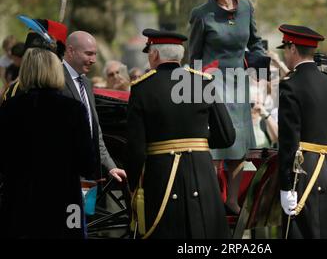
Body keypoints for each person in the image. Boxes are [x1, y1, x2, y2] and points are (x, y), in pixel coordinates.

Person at [126, 29, 235, 239]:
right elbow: (227, 136)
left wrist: (132, 186)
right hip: (201, 172)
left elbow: (136, 149)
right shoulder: (202, 82)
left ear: (154, 55)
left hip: (161, 176)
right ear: (180, 55)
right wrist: (199, 140)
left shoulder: (142, 88)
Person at [188, 0, 267, 215]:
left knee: (238, 147)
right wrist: (194, 91)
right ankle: (210, 199)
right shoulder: (201, 14)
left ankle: (231, 200)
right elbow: (194, 56)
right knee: (214, 146)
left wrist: (260, 72)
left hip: (239, 83)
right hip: (212, 84)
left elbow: (255, 43)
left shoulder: (246, 8)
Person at [0, 47, 95, 238]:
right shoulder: (73, 110)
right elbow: (87, 164)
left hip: (20, 202)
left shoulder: (9, 108)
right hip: (63, 204)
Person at [277, 24, 327, 239]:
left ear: (292, 48)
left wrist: (285, 186)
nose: (285, 54)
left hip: (304, 172)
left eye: (285, 49)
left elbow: (288, 141)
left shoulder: (290, 86)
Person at [63, 31, 127, 182]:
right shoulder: (55, 79)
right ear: (71, 51)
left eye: (95, 54)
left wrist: (110, 166)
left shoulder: (86, 83)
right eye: (89, 54)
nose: (93, 60)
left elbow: (94, 129)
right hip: (65, 176)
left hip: (90, 175)